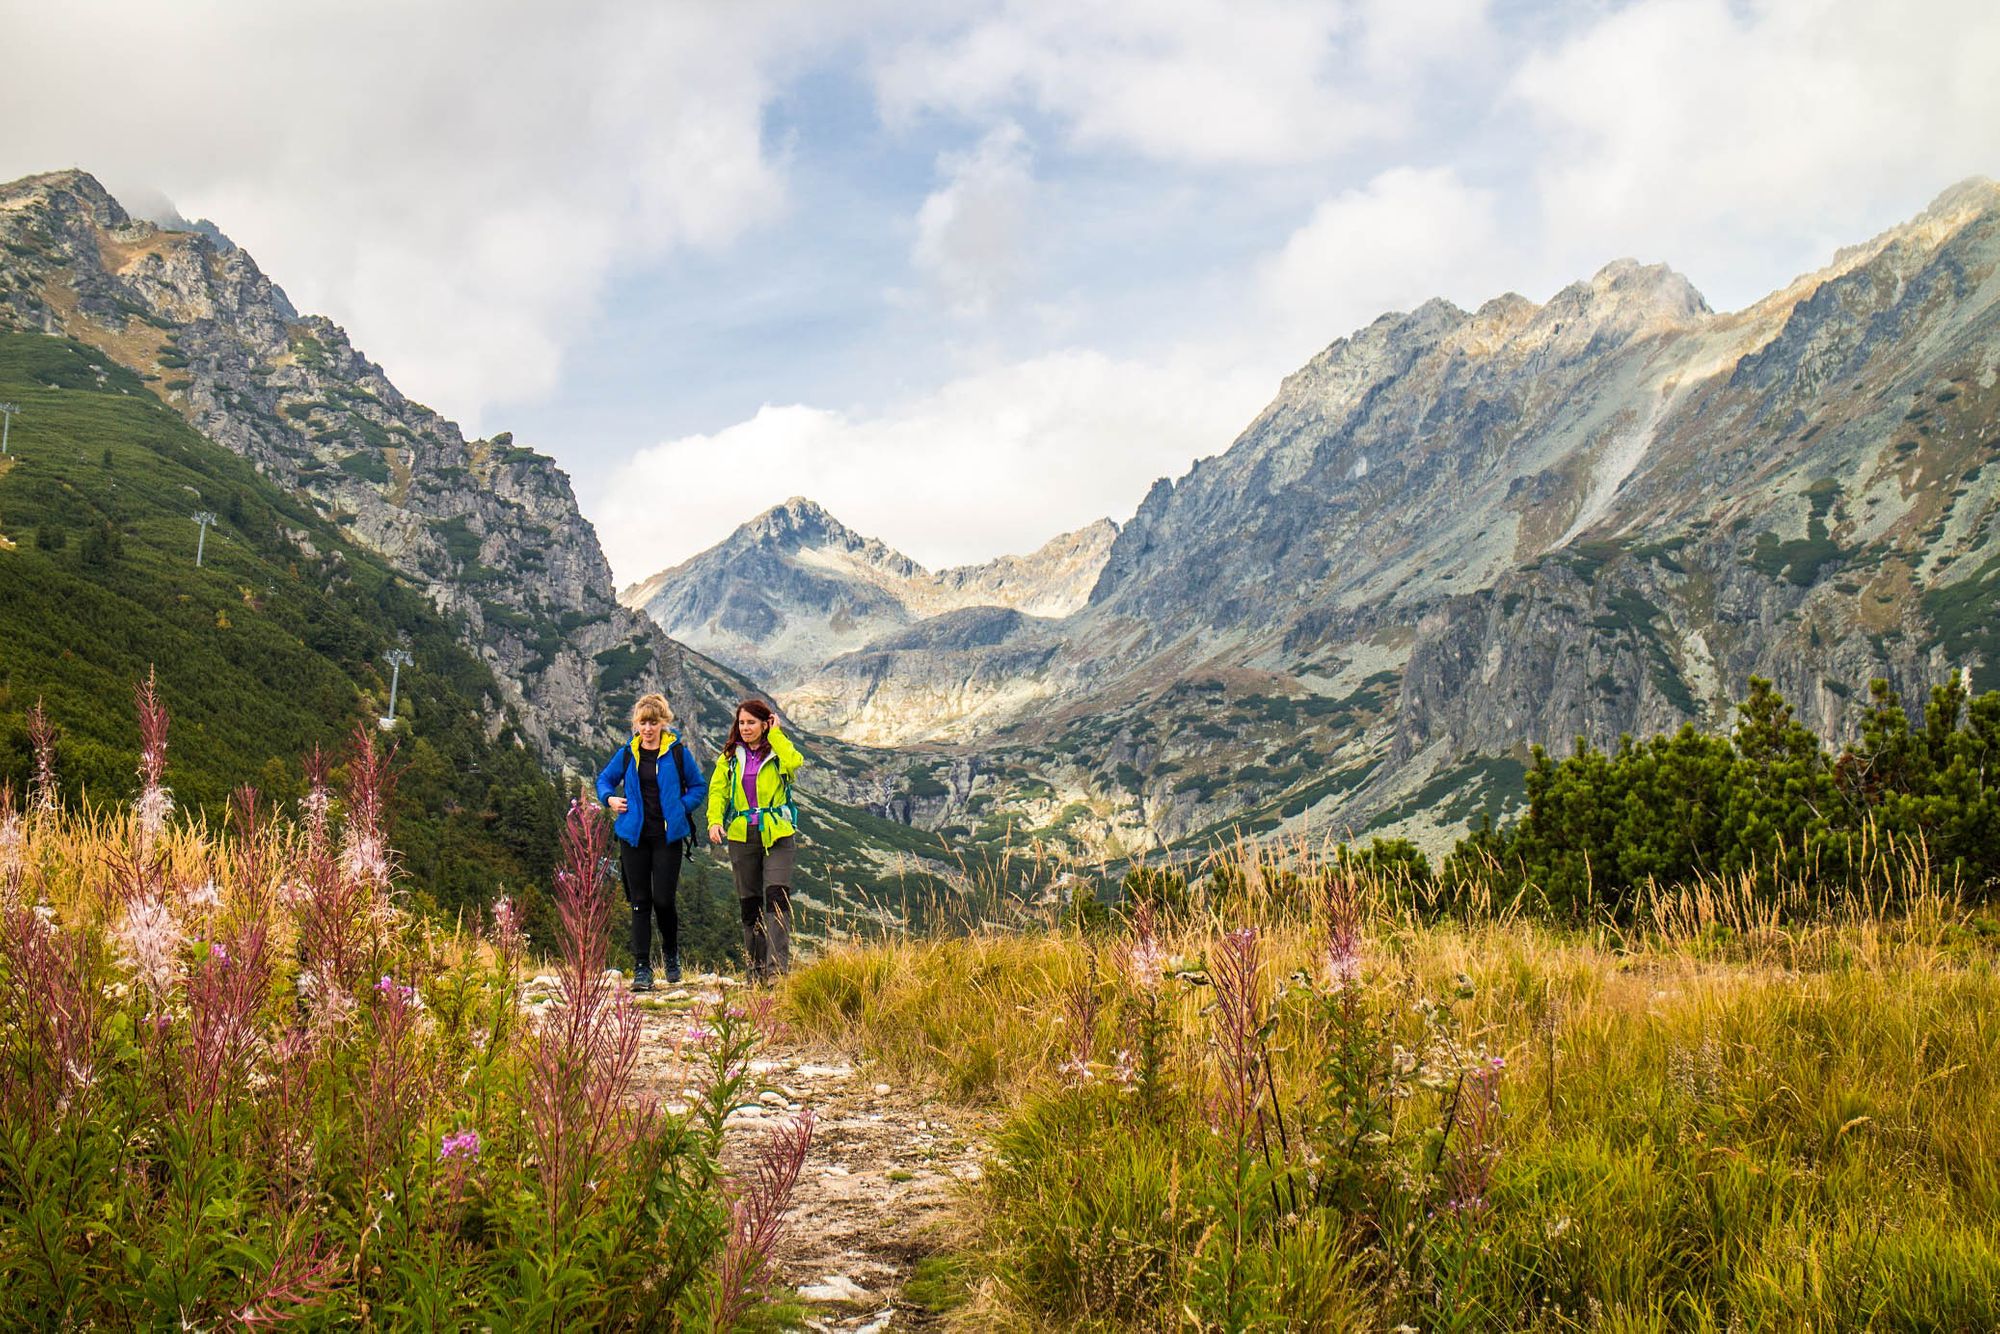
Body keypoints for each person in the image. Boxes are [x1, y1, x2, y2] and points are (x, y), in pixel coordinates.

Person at [596, 693, 706, 991]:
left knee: (664, 900)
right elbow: (604, 780)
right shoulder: (628, 753)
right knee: (639, 902)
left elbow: (698, 786)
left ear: (663, 723)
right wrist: (610, 799)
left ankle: (671, 955)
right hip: (634, 837)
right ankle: (642, 968)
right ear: (636, 724)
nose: (647, 728)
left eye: (653, 722)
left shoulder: (677, 752)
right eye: (643, 723)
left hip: (667, 837)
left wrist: (681, 807)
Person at [706, 698, 803, 983]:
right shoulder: (729, 758)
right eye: (741, 722)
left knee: (776, 897)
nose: (745, 728)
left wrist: (776, 734)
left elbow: (796, 761)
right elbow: (718, 792)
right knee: (750, 904)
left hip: (778, 833)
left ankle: (777, 973)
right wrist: (714, 820)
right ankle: (755, 971)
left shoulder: (778, 752)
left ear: (765, 723)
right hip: (742, 834)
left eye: (751, 722)